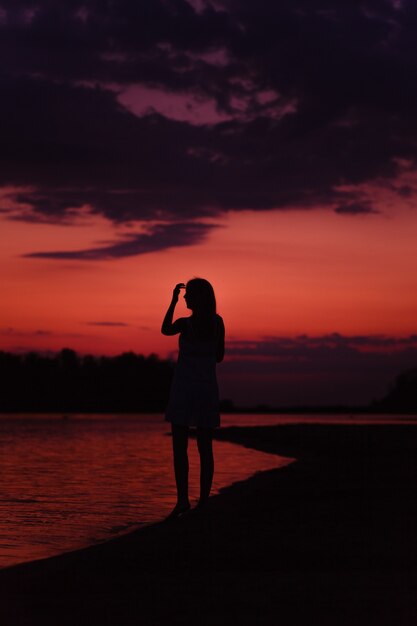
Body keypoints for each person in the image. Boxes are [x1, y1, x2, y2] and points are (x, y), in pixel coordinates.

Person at [161, 278, 225, 517]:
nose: (185, 298)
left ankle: (182, 501)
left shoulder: (185, 324)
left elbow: (165, 329)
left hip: (184, 388)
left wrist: (172, 301)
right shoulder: (217, 323)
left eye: (188, 295)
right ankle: (203, 502)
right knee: (204, 447)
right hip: (206, 388)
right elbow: (219, 356)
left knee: (181, 447)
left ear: (198, 297)